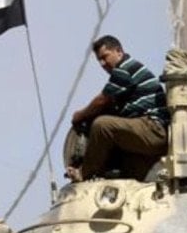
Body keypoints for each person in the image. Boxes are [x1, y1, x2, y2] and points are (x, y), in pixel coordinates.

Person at [67, 35, 169, 182]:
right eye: (99, 60)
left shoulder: (125, 68)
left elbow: (102, 100)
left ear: (119, 52)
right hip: (147, 130)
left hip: (153, 128)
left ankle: (84, 173)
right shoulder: (126, 70)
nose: (102, 63)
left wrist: (80, 115)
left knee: (102, 125)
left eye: (105, 57)